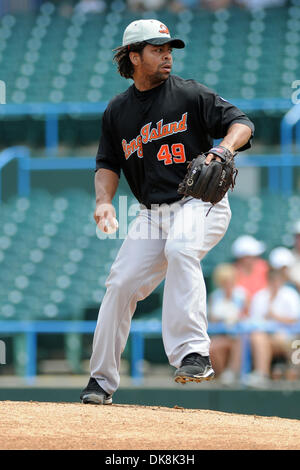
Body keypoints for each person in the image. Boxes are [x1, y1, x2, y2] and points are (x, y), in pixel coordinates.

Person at [80, 18, 254, 404]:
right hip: (151, 213)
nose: (167, 56)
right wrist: (104, 201)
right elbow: (107, 163)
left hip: (199, 202)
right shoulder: (117, 111)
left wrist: (222, 149)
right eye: (157, 49)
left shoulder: (190, 95)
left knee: (180, 249)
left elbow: (241, 123)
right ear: (133, 56)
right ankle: (100, 383)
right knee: (120, 284)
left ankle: (194, 354)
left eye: (169, 49)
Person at [243, 267, 300, 388]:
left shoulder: (290, 294)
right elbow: (254, 321)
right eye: (272, 280)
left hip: (289, 337)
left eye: (277, 280)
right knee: (257, 337)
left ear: (282, 280)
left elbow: (294, 320)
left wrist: (275, 316)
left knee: (273, 337)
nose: (275, 283)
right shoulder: (260, 296)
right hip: (267, 337)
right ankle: (261, 374)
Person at [208, 263, 248, 385]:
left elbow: (247, 315)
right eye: (224, 281)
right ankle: (221, 374)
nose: (227, 283)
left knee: (238, 341)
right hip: (221, 335)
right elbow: (212, 318)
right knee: (211, 348)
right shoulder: (215, 297)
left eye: (230, 280)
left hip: (240, 336)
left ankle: (232, 372)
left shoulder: (243, 295)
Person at [231, 235, 269, 300]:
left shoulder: (263, 267)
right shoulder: (231, 273)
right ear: (243, 258)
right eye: (252, 256)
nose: (256, 258)